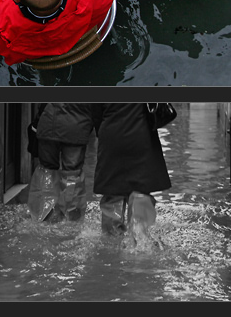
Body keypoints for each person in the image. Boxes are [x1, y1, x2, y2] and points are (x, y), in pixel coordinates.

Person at [90, 104, 170, 247]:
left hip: (111, 135)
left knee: (112, 191)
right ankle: (139, 242)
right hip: (142, 134)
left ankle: (111, 245)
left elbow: (95, 112)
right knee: (140, 189)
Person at [27, 104, 95, 222]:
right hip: (77, 127)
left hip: (49, 125)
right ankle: (72, 220)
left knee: (46, 170)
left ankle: (42, 217)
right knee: (72, 174)